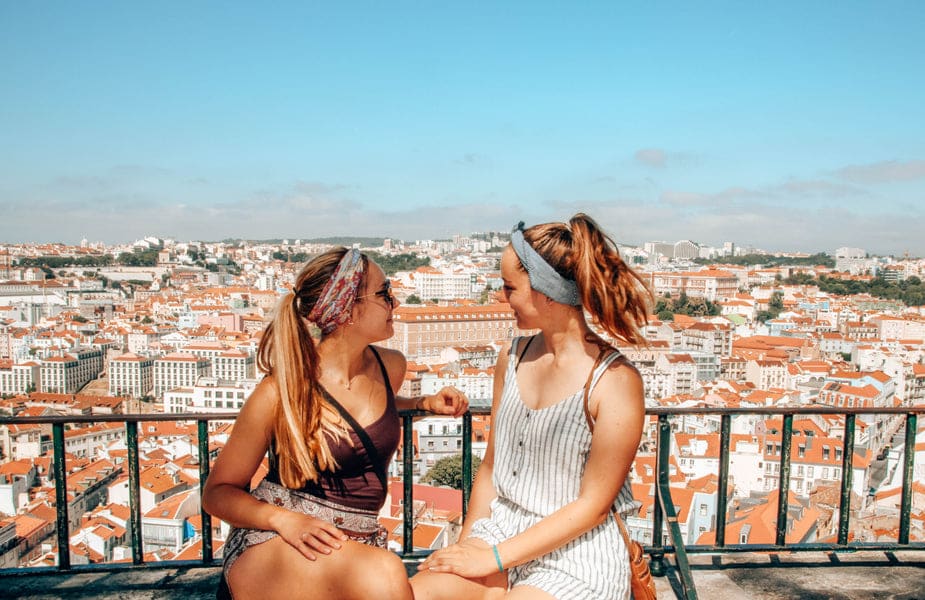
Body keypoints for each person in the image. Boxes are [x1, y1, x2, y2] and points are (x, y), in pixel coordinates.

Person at [202, 247, 468, 600]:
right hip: (282, 537)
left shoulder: (391, 367)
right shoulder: (281, 390)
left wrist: (421, 404)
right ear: (348, 309)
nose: (396, 302)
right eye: (385, 293)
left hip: (352, 542)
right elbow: (217, 493)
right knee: (388, 574)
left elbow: (365, 415)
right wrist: (283, 520)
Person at [412, 214, 651, 600]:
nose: (502, 299)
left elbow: (592, 508)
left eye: (509, 287)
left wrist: (492, 557)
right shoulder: (513, 356)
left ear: (546, 291)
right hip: (501, 528)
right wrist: (470, 543)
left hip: (577, 552)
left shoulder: (616, 382)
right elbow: (491, 466)